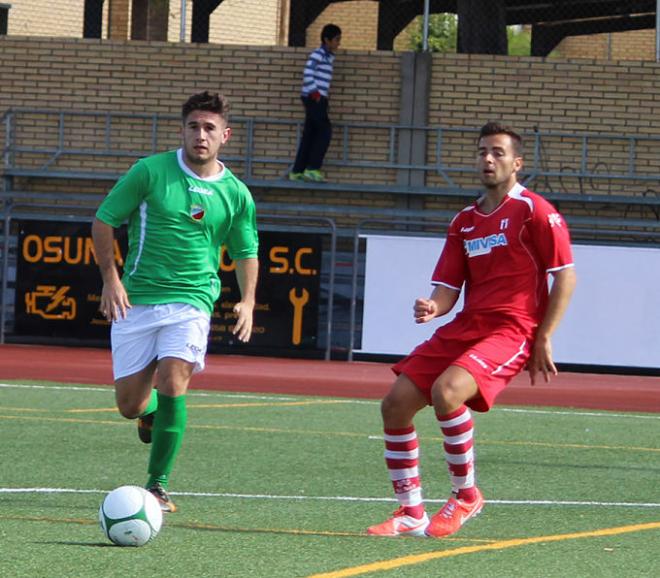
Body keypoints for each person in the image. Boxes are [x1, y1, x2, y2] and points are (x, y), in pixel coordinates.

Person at [367, 122, 576, 538]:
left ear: (517, 163)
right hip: (468, 325)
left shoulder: (535, 210)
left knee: (448, 392)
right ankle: (411, 512)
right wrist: (432, 306)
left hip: (512, 329)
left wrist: (544, 335)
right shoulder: (464, 221)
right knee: (395, 404)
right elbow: (447, 289)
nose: (488, 159)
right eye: (482, 151)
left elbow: (565, 276)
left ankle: (466, 495)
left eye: (498, 152)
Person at [91, 91, 259, 513]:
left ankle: (157, 485)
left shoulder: (236, 194)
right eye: (193, 127)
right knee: (129, 405)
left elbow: (245, 253)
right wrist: (111, 280)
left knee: (173, 380)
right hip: (139, 299)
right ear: (182, 130)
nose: (201, 135)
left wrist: (248, 301)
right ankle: (149, 415)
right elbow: (104, 220)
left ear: (226, 136)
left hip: (193, 300)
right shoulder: (149, 172)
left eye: (209, 128)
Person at [289, 23, 341, 183]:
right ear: (327, 40)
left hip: (318, 98)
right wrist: (316, 94)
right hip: (314, 98)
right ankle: (312, 169)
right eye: (336, 40)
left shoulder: (327, 57)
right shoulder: (318, 54)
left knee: (310, 134)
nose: (338, 43)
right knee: (325, 132)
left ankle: (297, 171)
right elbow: (308, 73)